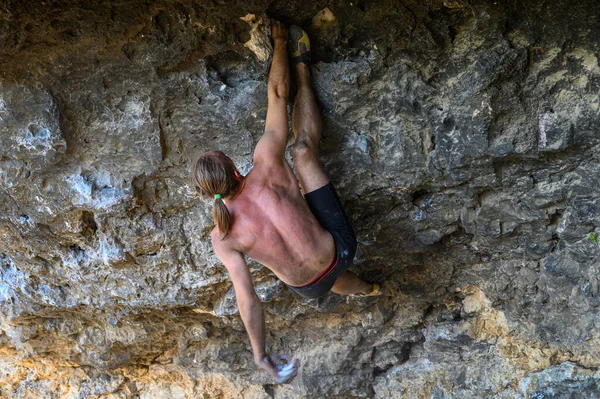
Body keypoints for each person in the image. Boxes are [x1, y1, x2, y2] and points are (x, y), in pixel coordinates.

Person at [191, 20, 383, 383]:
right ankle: (304, 69)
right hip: (341, 247)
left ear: (206, 195)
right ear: (235, 169)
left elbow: (247, 301)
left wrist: (260, 354)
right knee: (303, 151)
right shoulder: (264, 164)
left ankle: (369, 289)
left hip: (309, 288)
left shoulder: (223, 237)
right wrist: (280, 43)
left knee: (328, 280)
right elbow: (278, 95)